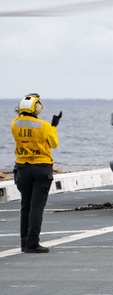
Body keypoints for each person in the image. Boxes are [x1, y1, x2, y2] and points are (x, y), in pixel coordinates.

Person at [11, 93, 60, 253]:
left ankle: (24, 243)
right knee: (37, 206)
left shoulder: (15, 123)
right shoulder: (43, 125)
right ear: (36, 108)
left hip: (22, 168)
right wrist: (54, 126)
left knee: (25, 206)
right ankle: (33, 243)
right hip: (41, 167)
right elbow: (54, 143)